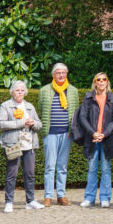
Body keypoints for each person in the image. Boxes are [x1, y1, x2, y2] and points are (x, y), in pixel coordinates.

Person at [0, 80, 43, 213]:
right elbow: (1, 124)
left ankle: (30, 201)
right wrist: (21, 123)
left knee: (30, 174)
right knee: (12, 173)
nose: (20, 93)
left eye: (22, 90)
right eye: (17, 90)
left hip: (29, 144)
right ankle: (9, 202)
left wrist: (33, 122)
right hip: (13, 144)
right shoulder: (6, 106)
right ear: (12, 92)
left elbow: (39, 125)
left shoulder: (29, 106)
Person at [38, 62, 80, 206]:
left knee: (62, 166)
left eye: (63, 73)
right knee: (50, 166)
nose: (61, 75)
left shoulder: (73, 91)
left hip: (67, 134)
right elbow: (41, 108)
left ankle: (61, 195)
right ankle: (48, 196)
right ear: (53, 75)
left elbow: (76, 111)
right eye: (58, 73)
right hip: (50, 133)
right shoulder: (44, 90)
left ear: (66, 74)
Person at [76, 72, 113, 209]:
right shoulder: (88, 98)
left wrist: (104, 134)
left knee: (106, 169)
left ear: (107, 82)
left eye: (104, 80)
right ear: (95, 82)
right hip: (92, 138)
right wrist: (93, 133)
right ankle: (89, 198)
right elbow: (82, 117)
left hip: (107, 139)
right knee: (91, 169)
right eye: (98, 80)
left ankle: (105, 198)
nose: (101, 82)